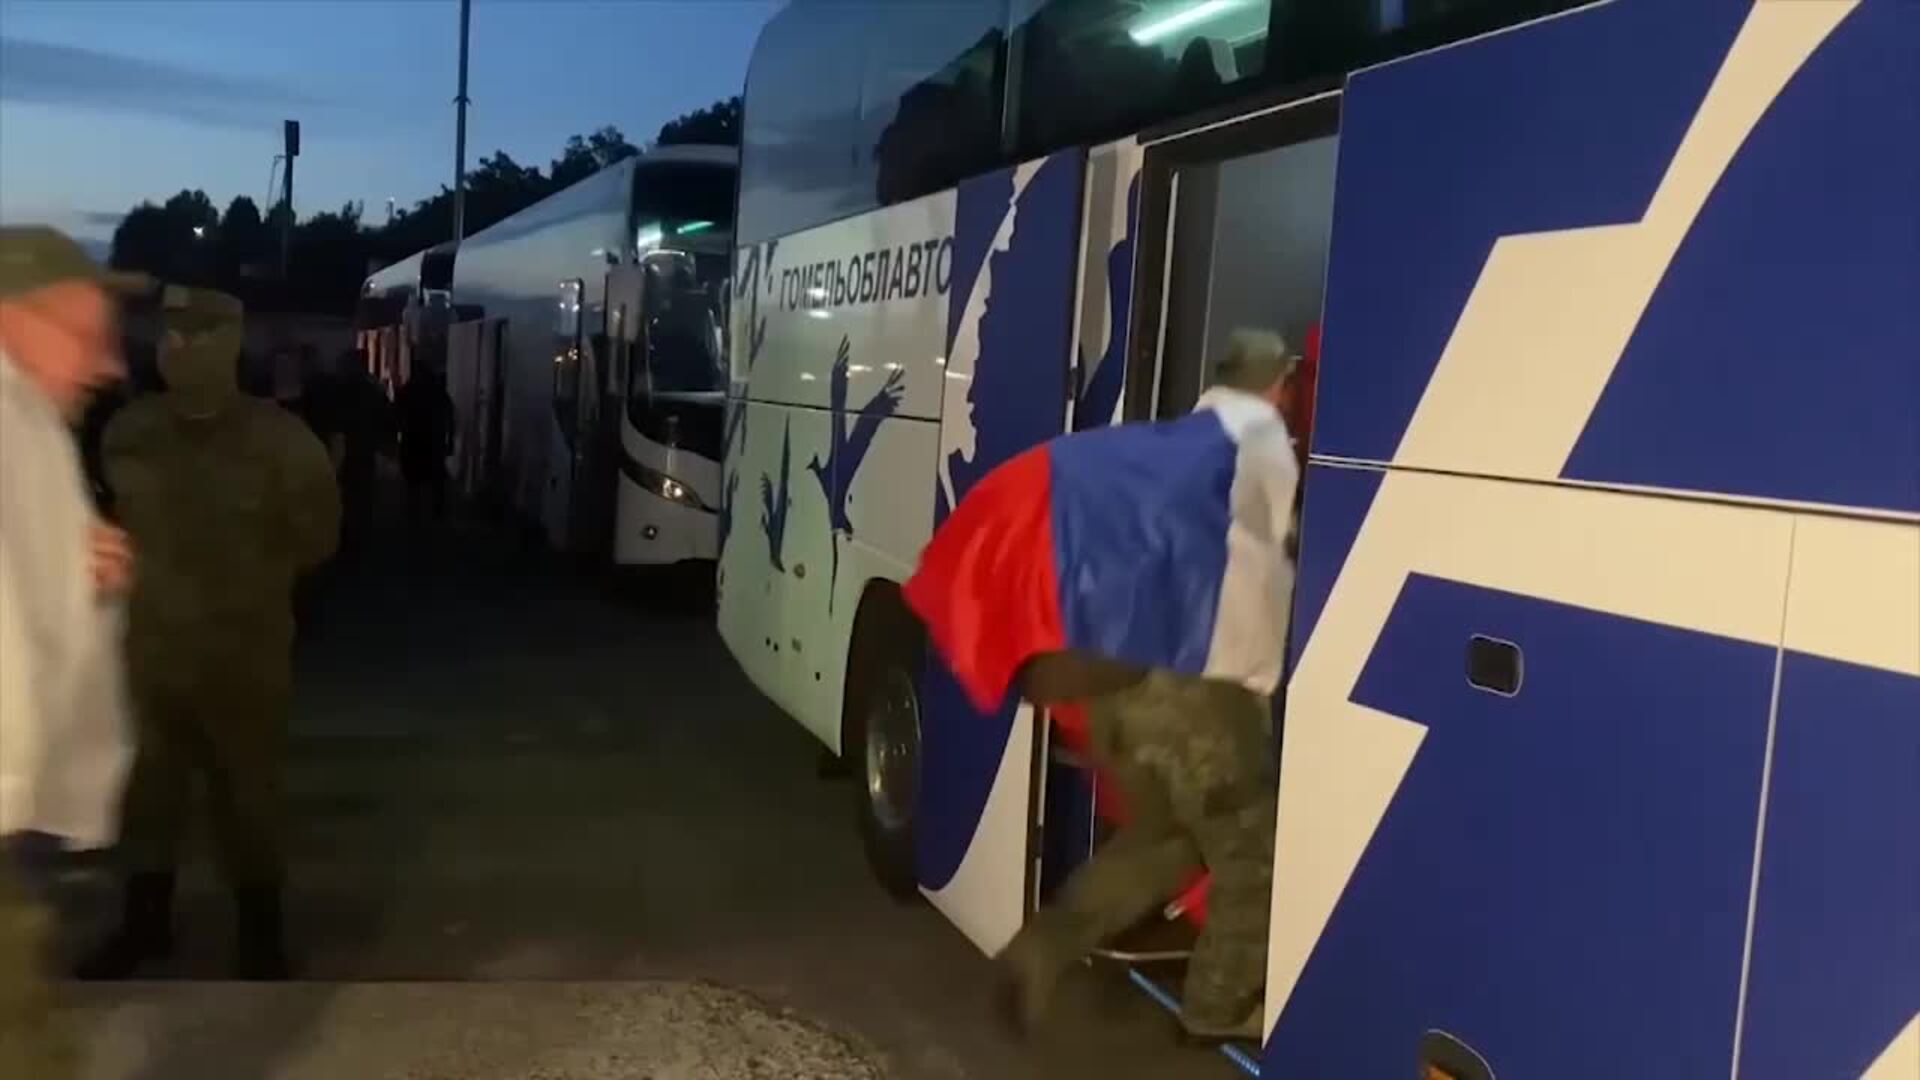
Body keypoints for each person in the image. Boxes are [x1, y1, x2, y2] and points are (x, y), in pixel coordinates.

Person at [904, 328, 1301, 1042]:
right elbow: (1254, 574)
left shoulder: (1180, 441)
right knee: (1254, 846)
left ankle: (1040, 951)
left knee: (1165, 841)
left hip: (1117, 691)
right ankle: (1217, 1007)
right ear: (1277, 383)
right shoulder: (1257, 440)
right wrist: (1263, 675)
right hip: (1194, 691)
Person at [77, 285, 340, 981]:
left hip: (243, 653)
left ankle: (260, 935)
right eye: (170, 334)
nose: (178, 347)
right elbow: (104, 520)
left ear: (229, 345)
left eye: (196, 334)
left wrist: (250, 584)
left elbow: (319, 536)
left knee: (249, 793)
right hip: (152, 648)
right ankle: (144, 924)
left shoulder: (281, 441)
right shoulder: (129, 430)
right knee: (149, 793)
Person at [0, 226, 138, 1078]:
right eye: (85, 334)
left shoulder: (30, 423)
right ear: (13, 316)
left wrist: (85, 577)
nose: (109, 364)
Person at [396, 361, 453, 528]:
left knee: (413, 481)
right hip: (433, 441)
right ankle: (437, 513)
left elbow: (397, 415)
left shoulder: (408, 391)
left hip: (413, 441)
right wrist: (450, 441)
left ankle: (413, 514)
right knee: (435, 480)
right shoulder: (437, 392)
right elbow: (449, 417)